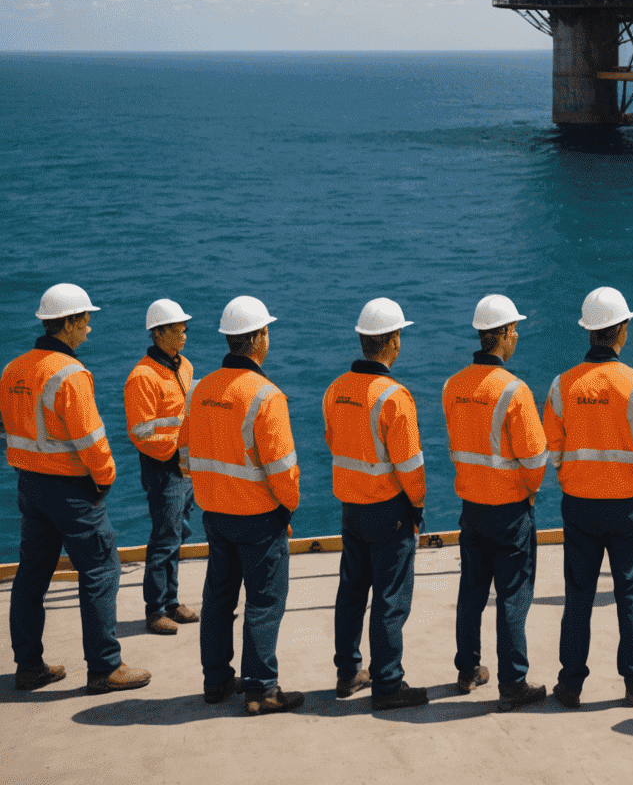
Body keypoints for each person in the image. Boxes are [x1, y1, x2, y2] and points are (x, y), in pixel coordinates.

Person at [3, 283, 150, 695]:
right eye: (85, 321)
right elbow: (91, 440)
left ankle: (29, 666)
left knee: (32, 575)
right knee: (101, 569)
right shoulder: (70, 374)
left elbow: (7, 427)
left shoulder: (13, 370)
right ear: (66, 324)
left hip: (30, 486)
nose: (88, 330)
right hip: (71, 489)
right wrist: (104, 480)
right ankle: (104, 667)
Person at [544, 286, 633, 709]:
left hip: (579, 506)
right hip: (630, 507)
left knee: (577, 594)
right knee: (630, 593)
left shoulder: (561, 386)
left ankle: (570, 684)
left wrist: (576, 482)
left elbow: (554, 452)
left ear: (589, 332)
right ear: (622, 330)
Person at [182, 295, 303, 715]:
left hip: (214, 514)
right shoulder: (265, 396)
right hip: (258, 517)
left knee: (218, 598)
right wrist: (286, 509)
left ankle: (216, 680)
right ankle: (260, 689)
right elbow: (283, 470)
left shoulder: (200, 390)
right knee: (264, 602)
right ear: (258, 339)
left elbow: (185, 453)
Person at [443, 294, 548, 712]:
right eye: (515, 329)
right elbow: (535, 459)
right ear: (502, 335)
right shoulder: (514, 391)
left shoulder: (453, 385)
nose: (517, 335)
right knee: (513, 596)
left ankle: (467, 670)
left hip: (471, 506)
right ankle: (513, 682)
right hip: (509, 509)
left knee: (472, 591)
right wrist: (529, 491)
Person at [324, 297, 428, 710]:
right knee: (389, 598)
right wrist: (416, 506)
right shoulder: (394, 397)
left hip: (351, 508)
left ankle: (348, 673)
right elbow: (411, 467)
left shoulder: (337, 389)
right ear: (393, 342)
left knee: (351, 591)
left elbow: (333, 441)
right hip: (389, 511)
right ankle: (387, 683)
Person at [124, 298, 199, 636]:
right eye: (177, 328)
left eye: (184, 326)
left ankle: (171, 601)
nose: (184, 332)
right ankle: (155, 610)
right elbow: (140, 433)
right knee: (164, 538)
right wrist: (174, 450)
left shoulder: (184, 367)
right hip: (163, 468)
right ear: (158, 332)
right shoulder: (142, 377)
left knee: (178, 533)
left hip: (184, 466)